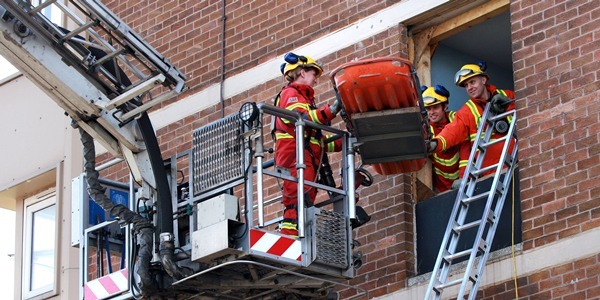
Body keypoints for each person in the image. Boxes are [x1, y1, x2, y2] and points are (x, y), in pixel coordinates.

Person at [274, 53, 343, 237]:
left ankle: (299, 234)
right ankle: (290, 237)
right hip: (294, 158)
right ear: (302, 72)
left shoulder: (304, 98)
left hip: (304, 158)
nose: (315, 81)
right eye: (314, 75)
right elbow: (302, 119)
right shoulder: (291, 94)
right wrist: (332, 110)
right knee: (296, 200)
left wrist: (342, 142)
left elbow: (315, 140)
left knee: (304, 199)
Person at [428, 61, 515, 186]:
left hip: (518, 161)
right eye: (466, 85)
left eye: (472, 82)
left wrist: (509, 104)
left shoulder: (508, 95)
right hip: (491, 174)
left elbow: (529, 112)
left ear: (484, 80)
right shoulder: (467, 112)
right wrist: (435, 143)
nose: (469, 87)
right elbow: (452, 131)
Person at [421, 85, 465, 192]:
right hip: (441, 190)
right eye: (428, 108)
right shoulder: (426, 130)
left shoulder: (456, 120)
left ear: (445, 107)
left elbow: (467, 149)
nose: (431, 112)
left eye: (435, 107)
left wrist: (464, 178)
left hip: (463, 183)